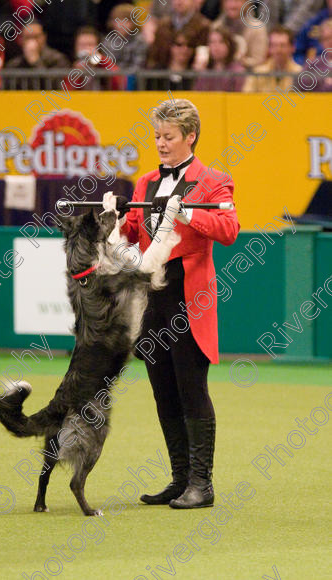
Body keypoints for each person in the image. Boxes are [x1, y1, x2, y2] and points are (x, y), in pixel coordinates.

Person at [116, 99, 240, 509]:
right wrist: (116, 220)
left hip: (190, 301)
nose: (161, 144)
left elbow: (228, 230)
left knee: (191, 389)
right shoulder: (146, 181)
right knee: (163, 391)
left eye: (168, 137)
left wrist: (188, 215)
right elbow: (134, 231)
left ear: (190, 137)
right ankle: (180, 478)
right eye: (157, 136)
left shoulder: (215, 181)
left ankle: (201, 484)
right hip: (153, 301)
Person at [5, 21, 70, 89]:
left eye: (36, 37)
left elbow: (55, 86)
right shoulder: (14, 65)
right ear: (21, 40)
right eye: (28, 37)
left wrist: (36, 62)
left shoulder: (58, 59)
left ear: (44, 37)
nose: (32, 42)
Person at [146, 0, 209, 69]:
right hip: (163, 74)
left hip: (191, 75)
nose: (179, 1)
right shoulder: (162, 26)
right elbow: (154, 56)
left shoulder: (203, 26)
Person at [243, 26, 301, 93]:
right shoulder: (258, 73)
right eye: (274, 45)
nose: (278, 50)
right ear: (269, 48)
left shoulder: (300, 73)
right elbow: (247, 98)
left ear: (292, 48)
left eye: (283, 45)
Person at [213, 0, 268, 68]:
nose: (232, 5)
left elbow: (259, 60)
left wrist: (237, 62)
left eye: (237, 1)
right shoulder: (215, 27)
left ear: (247, 3)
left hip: (248, 74)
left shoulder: (257, 28)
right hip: (219, 74)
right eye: (228, 1)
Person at [194, 26, 245, 91]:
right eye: (212, 42)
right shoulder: (204, 69)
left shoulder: (238, 71)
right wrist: (199, 74)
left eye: (221, 42)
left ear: (229, 45)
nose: (216, 46)